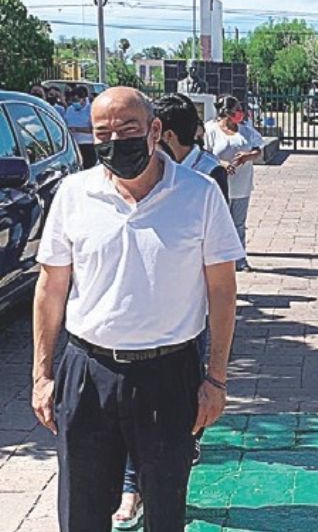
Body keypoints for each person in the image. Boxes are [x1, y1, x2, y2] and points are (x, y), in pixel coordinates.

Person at [31, 87, 243, 531]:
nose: (114, 140)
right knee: (81, 510)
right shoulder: (73, 194)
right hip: (87, 372)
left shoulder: (199, 194)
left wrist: (216, 378)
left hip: (169, 375)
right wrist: (42, 375)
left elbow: (222, 291)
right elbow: (51, 288)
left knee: (165, 510)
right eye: (102, 132)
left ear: (155, 131)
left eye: (127, 129)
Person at [205, 94, 263, 271]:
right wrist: (221, 164)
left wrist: (249, 156)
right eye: (237, 109)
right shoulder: (211, 130)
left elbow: (259, 149)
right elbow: (205, 154)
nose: (241, 113)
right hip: (220, 185)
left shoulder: (245, 130)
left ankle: (240, 259)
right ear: (226, 112)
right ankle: (221, 260)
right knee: (220, 223)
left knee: (239, 223)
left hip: (242, 184)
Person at [64, 85, 96, 169]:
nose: (75, 103)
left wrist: (77, 129)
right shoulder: (70, 109)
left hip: (88, 144)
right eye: (73, 100)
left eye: (77, 100)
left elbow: (94, 129)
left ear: (83, 99)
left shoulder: (91, 109)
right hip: (74, 144)